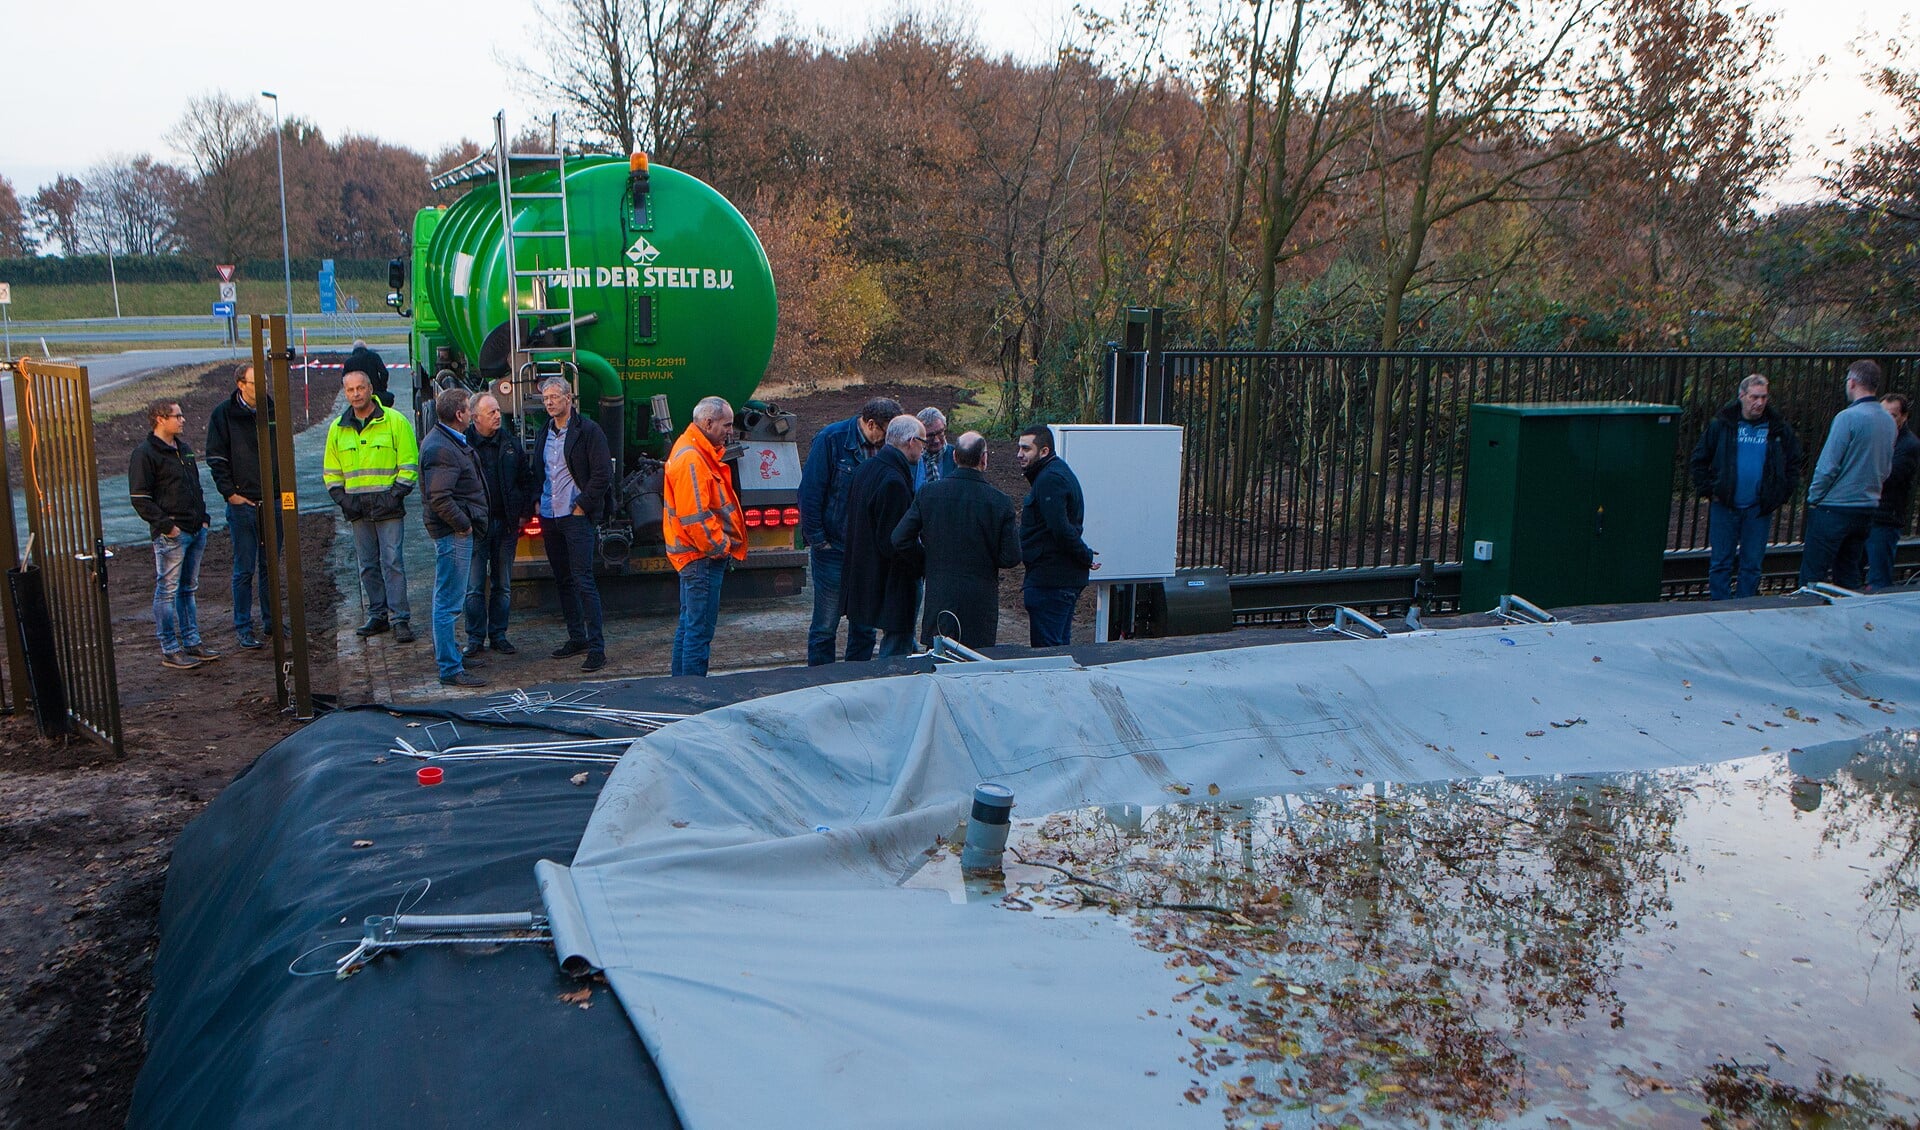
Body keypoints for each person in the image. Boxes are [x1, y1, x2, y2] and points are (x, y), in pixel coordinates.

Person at [797, 396, 902, 665]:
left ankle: (856, 680)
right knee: (825, 625)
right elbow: (810, 493)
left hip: (867, 553)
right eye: (885, 432)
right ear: (869, 424)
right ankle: (821, 682)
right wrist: (819, 541)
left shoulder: (886, 449)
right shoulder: (831, 440)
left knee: (864, 626)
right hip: (834, 548)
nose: (889, 440)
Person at [893, 431, 1020, 647]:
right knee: (976, 664)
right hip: (980, 601)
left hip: (940, 594)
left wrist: (927, 562)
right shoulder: (1000, 502)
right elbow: (1011, 557)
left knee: (939, 658)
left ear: (954, 457)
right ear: (984, 458)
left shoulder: (929, 493)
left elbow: (899, 538)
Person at [1687, 374, 1802, 600]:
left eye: (1764, 397)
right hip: (1726, 504)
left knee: (1752, 564)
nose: (1759, 403)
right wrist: (1711, 490)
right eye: (1754, 397)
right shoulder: (1722, 425)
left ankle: (1745, 606)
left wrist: (1779, 494)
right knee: (1721, 562)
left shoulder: (1776, 428)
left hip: (1758, 508)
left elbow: (1794, 462)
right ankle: (1720, 607)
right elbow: (1699, 459)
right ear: (1742, 396)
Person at [324, 368, 419, 641]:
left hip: (388, 507)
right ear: (345, 393)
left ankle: (400, 618)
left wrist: (394, 496)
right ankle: (378, 615)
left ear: (370, 390)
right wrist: (343, 500)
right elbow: (331, 472)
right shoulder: (337, 428)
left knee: (392, 562)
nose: (355, 394)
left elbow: (409, 464)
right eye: (350, 390)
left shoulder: (395, 422)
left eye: (360, 388)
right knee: (367, 564)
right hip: (357, 509)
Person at [529, 376, 613, 672]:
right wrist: (537, 501)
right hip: (550, 515)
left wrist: (582, 506)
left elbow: (602, 475)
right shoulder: (545, 432)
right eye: (545, 399)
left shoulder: (588, 431)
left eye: (554, 397)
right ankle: (576, 637)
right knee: (563, 581)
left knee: (583, 581)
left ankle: (597, 647)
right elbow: (538, 471)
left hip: (575, 517)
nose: (549, 402)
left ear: (569, 398)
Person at [129, 400, 218, 669]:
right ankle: (170, 648)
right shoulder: (145, 454)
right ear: (159, 419)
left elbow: (195, 486)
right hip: (173, 534)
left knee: (187, 589)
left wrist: (202, 519)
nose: (183, 420)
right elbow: (140, 498)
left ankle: (192, 642)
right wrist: (168, 526)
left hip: (193, 529)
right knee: (167, 591)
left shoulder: (184, 450)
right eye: (176, 416)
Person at [664, 396, 746, 677]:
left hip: (694, 557)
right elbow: (695, 518)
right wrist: (720, 547)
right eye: (727, 425)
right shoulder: (692, 458)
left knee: (688, 628)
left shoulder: (694, 451)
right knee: (698, 633)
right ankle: (692, 697)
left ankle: (680, 690)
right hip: (701, 558)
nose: (730, 431)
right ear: (708, 423)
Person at [1799, 360, 1898, 589]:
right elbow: (1886, 469)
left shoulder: (1847, 418)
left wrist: (1815, 497)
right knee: (1849, 572)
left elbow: (1828, 466)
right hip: (1866, 507)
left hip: (1834, 507)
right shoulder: (1888, 422)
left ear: (1852, 382)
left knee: (1813, 576)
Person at [419, 388, 492, 688]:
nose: (472, 413)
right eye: (468, 409)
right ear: (460, 415)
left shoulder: (447, 441)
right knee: (448, 602)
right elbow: (440, 498)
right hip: (452, 534)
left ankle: (451, 656)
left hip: (455, 532)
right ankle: (449, 667)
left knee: (448, 598)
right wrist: (463, 526)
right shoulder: (442, 448)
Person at [843, 415, 926, 658]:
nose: (924, 449)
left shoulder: (866, 469)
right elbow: (895, 541)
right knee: (895, 648)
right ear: (911, 441)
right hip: (889, 580)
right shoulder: (894, 481)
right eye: (922, 442)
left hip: (862, 574)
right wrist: (924, 561)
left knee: (863, 645)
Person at [206, 364, 274, 648]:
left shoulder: (272, 409)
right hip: (242, 504)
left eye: (265, 381)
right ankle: (243, 625)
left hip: (271, 503)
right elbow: (216, 458)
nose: (263, 386)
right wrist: (230, 494)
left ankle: (271, 620)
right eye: (255, 382)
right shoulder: (223, 414)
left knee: (270, 566)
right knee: (244, 568)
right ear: (240, 384)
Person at [1016, 423, 1098, 647]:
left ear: (1044, 451)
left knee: (1048, 658)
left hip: (1052, 581)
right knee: (1059, 651)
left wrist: (1085, 555)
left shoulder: (1049, 479)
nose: (1019, 454)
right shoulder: (1054, 473)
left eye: (1026, 449)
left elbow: (1061, 529)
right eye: (1019, 448)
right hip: (1057, 579)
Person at [464, 393, 533, 656]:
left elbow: (526, 480)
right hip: (476, 528)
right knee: (474, 587)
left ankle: (499, 635)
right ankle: (474, 639)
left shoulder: (510, 445)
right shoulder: (465, 446)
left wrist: (522, 512)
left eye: (497, 412)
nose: (497, 417)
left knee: (503, 585)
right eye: (491, 412)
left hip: (505, 526)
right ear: (475, 417)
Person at [1866, 393, 1920, 590]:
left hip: (1886, 517)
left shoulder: (1908, 445)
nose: (1887, 420)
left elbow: (1889, 477)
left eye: (1893, 415)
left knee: (1879, 576)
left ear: (1904, 417)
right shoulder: (1877, 437)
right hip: (1867, 512)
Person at [913, 406, 954, 490]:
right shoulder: (912, 458)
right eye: (930, 435)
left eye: (940, 433)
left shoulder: (956, 456)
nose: (936, 440)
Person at [343, 339, 393, 407]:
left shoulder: (349, 362)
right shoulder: (374, 357)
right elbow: (384, 373)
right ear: (365, 347)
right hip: (376, 391)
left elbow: (343, 380)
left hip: (358, 394)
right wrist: (382, 387)